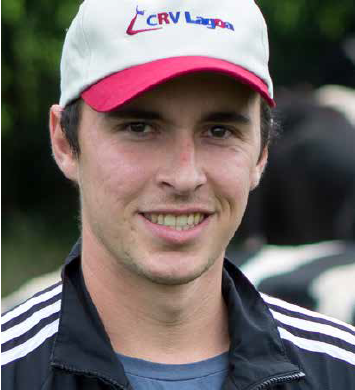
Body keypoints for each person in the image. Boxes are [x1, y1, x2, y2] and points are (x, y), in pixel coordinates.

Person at [2, 0, 354, 388]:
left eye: (219, 131)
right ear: (65, 142)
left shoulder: (340, 372)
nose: (184, 177)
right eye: (139, 127)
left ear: (261, 154)